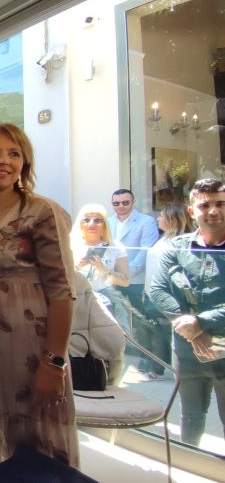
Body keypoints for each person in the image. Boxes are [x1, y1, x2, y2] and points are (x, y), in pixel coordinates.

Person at [0, 122, 77, 480]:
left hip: (31, 352)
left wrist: (53, 363)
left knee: (35, 451)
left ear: (24, 164)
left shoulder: (42, 212)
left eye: (13, 153)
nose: (3, 161)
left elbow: (62, 292)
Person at [148, 178, 225, 446]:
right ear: (192, 211)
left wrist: (200, 323)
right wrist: (193, 331)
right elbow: (158, 290)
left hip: (223, 343)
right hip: (188, 346)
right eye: (204, 205)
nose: (213, 211)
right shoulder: (177, 247)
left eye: (220, 204)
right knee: (191, 416)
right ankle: (187, 463)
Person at [141, 203, 193, 377]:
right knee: (156, 332)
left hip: (169, 296)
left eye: (162, 215)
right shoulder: (162, 239)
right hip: (152, 293)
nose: (158, 218)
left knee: (170, 333)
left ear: (171, 219)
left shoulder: (181, 243)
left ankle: (174, 369)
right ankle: (157, 367)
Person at [69, 204, 131, 334]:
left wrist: (104, 271)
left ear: (104, 224)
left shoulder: (115, 246)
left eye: (97, 220)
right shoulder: (70, 246)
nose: (91, 224)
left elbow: (125, 281)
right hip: (76, 298)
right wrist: (77, 266)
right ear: (80, 224)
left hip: (106, 299)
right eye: (86, 220)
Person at [108, 189, 159, 332]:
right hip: (112, 280)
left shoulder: (146, 221)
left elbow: (145, 252)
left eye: (125, 202)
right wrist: (111, 275)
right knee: (116, 322)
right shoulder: (108, 222)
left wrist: (124, 274)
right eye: (116, 203)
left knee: (141, 323)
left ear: (133, 202)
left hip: (136, 281)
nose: (121, 206)